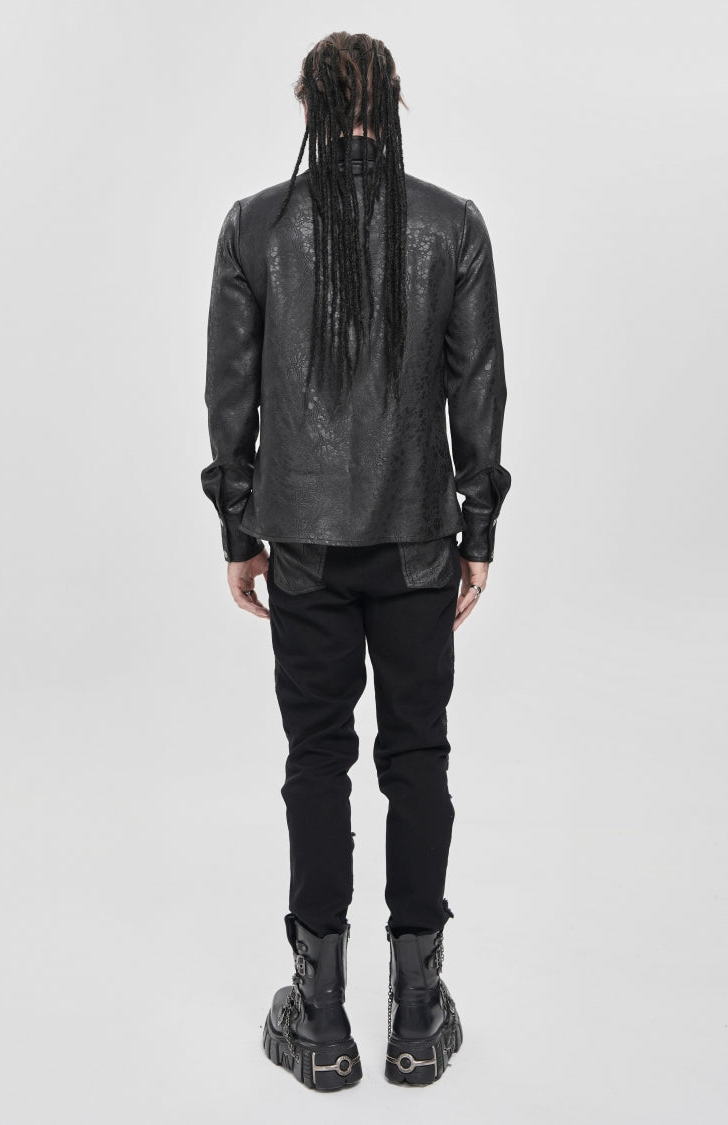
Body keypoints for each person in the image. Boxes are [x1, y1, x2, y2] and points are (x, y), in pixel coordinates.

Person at [200, 31, 512, 1091]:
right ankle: (417, 1017)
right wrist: (478, 533)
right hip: (420, 542)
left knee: (317, 760)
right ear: (394, 103)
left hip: (305, 548)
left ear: (311, 108)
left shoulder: (255, 226)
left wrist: (240, 529)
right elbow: (479, 387)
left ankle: (322, 1016)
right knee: (418, 758)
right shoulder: (450, 225)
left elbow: (230, 392)